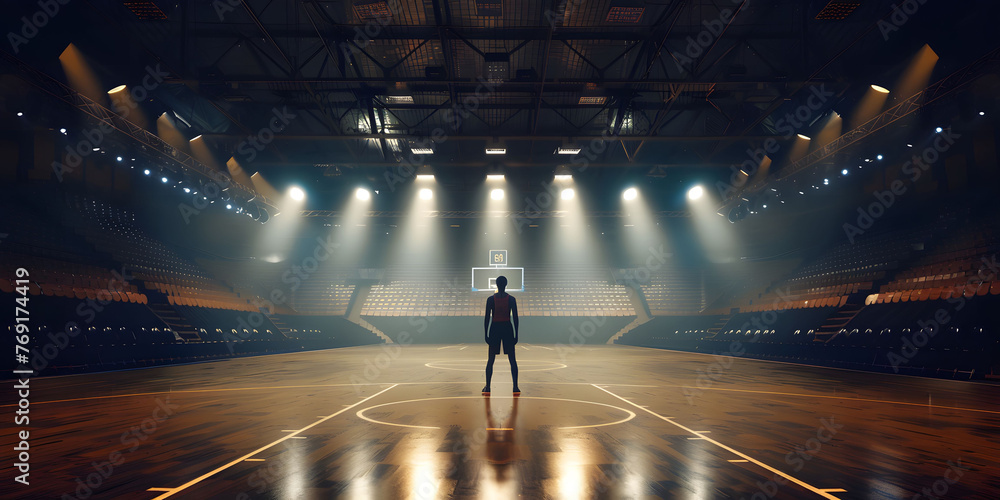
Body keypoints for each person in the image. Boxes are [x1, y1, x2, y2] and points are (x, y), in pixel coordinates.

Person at [483, 275, 519, 394]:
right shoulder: (512, 299)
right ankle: (515, 387)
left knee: (491, 359)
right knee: (512, 359)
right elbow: (515, 318)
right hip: (507, 328)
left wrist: (486, 334)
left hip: (495, 328)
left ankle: (488, 386)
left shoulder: (490, 299)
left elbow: (487, 318)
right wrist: (516, 334)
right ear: (506, 284)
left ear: (497, 285)